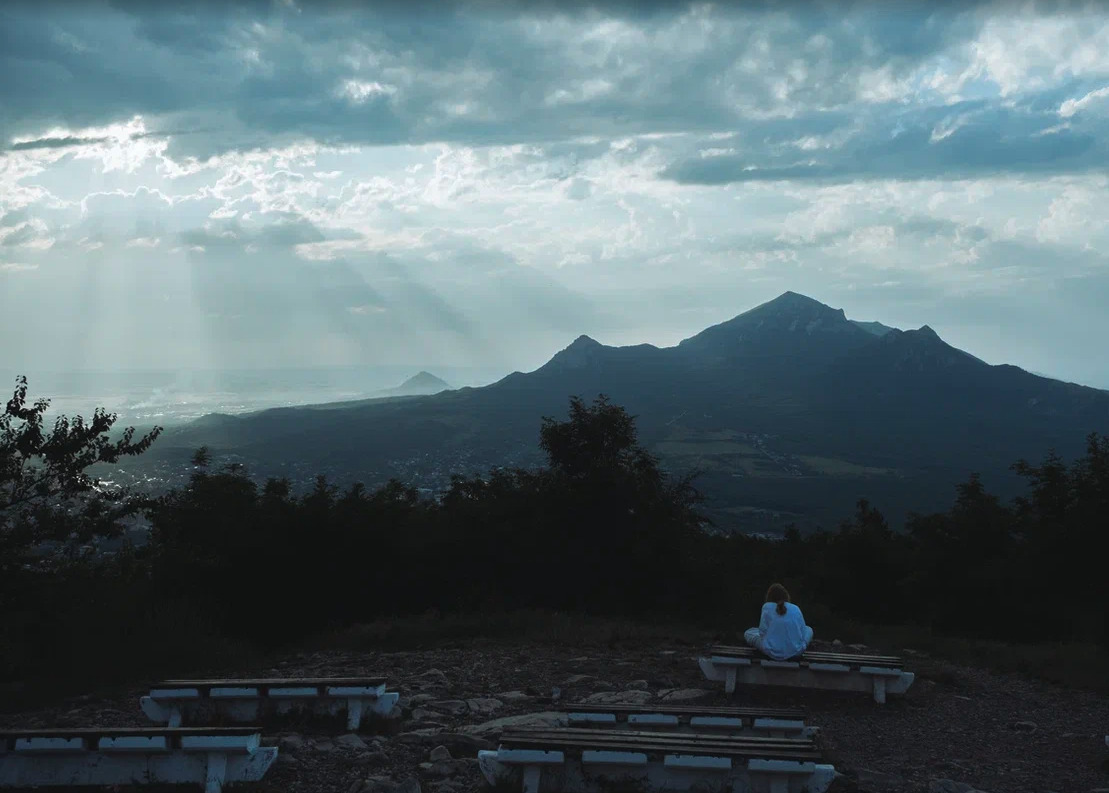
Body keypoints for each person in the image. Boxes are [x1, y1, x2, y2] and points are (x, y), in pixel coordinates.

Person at [743, 583, 814, 661]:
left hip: (771, 651)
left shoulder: (766, 606)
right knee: (808, 629)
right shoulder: (795, 608)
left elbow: (762, 633)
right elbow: (802, 632)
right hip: (796, 652)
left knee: (748, 633)